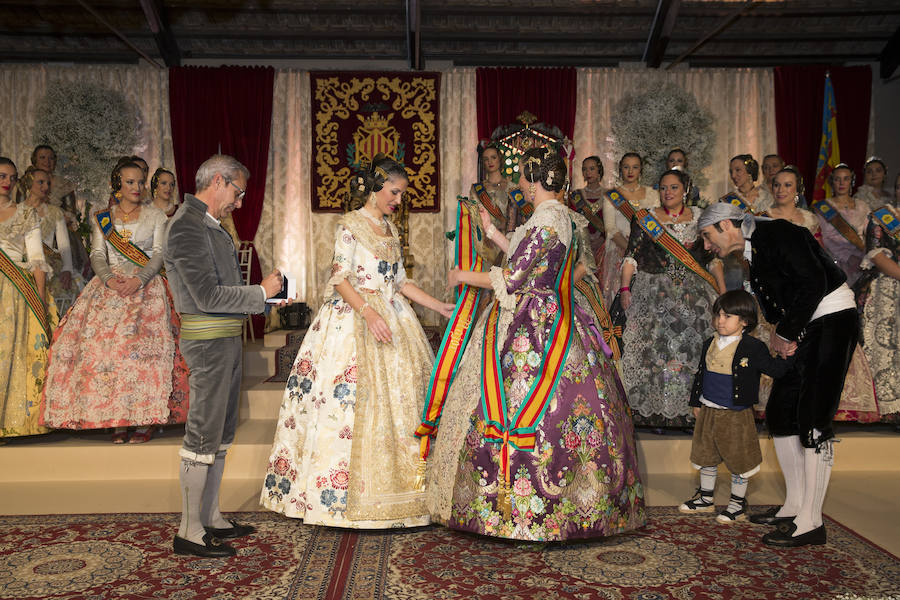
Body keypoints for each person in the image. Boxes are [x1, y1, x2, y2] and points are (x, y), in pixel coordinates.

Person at [422, 146, 646, 541]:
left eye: (524, 178)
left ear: (537, 180)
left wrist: (463, 275)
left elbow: (512, 279)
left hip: (534, 324)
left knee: (519, 403)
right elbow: (532, 260)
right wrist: (492, 231)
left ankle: (523, 509)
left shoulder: (548, 219)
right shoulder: (553, 216)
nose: (520, 186)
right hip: (546, 311)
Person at [261, 155, 453, 528]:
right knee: (341, 404)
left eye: (401, 194)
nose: (398, 200)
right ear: (376, 187)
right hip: (353, 318)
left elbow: (399, 283)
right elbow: (340, 278)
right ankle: (336, 498)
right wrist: (368, 312)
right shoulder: (349, 225)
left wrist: (439, 306)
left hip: (393, 315)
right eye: (394, 192)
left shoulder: (391, 229)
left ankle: (405, 493)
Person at [698, 203, 857, 547]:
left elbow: (813, 283)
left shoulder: (779, 232)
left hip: (832, 321)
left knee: (813, 416)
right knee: (781, 412)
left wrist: (785, 333)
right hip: (804, 327)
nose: (708, 246)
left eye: (708, 237)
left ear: (726, 224)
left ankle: (812, 522)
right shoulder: (752, 249)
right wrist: (784, 332)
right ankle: (794, 507)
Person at [165, 154, 284, 558]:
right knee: (202, 434)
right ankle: (189, 530)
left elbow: (222, 292)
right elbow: (207, 297)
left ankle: (211, 516)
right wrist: (261, 293)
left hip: (227, 340)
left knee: (220, 436)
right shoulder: (186, 226)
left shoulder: (209, 225)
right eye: (238, 191)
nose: (239, 200)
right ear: (218, 181)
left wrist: (266, 300)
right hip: (207, 342)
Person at [41, 161, 189, 444]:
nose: (137, 187)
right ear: (117, 185)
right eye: (130, 182)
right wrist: (108, 279)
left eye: (140, 182)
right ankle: (117, 418)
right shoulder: (103, 218)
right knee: (106, 351)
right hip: (109, 287)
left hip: (146, 288)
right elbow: (97, 255)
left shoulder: (155, 215)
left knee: (142, 351)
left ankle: (145, 419)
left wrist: (140, 279)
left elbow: (158, 253)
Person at [619, 169, 725, 428]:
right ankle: (656, 412)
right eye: (664, 188)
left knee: (695, 351)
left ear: (685, 190)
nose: (668, 192)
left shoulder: (700, 218)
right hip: (655, 294)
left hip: (694, 296)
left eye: (674, 187)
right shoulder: (646, 219)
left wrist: (723, 294)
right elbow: (631, 257)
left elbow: (712, 260)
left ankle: (695, 410)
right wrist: (624, 289)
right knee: (656, 353)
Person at [679, 290, 792, 523]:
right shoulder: (709, 343)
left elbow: (775, 370)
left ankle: (737, 504)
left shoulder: (753, 347)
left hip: (735, 414)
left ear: (745, 321)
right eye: (718, 315)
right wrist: (695, 401)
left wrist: (788, 355)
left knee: (739, 458)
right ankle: (706, 499)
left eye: (728, 316)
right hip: (708, 409)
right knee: (705, 454)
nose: (720, 321)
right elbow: (701, 375)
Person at [0, 157, 54, 439]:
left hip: (14, 293)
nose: (6, 182)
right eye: (1, 176)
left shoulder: (25, 214)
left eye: (11, 177)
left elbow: (36, 260)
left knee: (11, 355)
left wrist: (42, 302)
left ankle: (11, 423)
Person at [859, 172, 900, 423]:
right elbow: (876, 255)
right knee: (888, 348)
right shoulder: (883, 217)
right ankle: (891, 408)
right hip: (889, 290)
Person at [16, 167, 82, 315]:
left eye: (48, 183)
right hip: (21, 262)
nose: (45, 187)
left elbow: (64, 244)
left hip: (49, 263)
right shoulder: (17, 210)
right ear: (29, 184)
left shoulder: (54, 211)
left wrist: (67, 268)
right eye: (40, 182)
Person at [600, 153, 659, 303]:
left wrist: (642, 252)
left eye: (635, 167)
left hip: (648, 254)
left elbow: (658, 225)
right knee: (618, 298)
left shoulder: (653, 194)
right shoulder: (611, 195)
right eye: (626, 167)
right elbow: (611, 229)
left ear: (641, 170)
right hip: (619, 251)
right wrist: (632, 252)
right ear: (620, 169)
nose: (630, 171)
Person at [813, 163, 868, 288]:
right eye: (837, 179)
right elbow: (825, 238)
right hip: (836, 262)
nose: (841, 183)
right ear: (832, 182)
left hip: (862, 261)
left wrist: (865, 257)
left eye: (846, 178)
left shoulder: (863, 206)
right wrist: (848, 257)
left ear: (852, 181)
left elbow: (869, 233)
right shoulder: (823, 207)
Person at [469, 144, 516, 266]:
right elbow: (474, 217)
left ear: (500, 159)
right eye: (486, 159)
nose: (490, 161)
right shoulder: (477, 189)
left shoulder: (513, 188)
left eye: (493, 157)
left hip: (507, 240)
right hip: (486, 243)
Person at [570, 155, 606, 275]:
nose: (588, 172)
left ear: (599, 171)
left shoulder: (609, 195)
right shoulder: (575, 196)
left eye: (592, 169)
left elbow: (613, 224)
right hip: (582, 247)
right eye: (584, 169)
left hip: (604, 247)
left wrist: (602, 240)